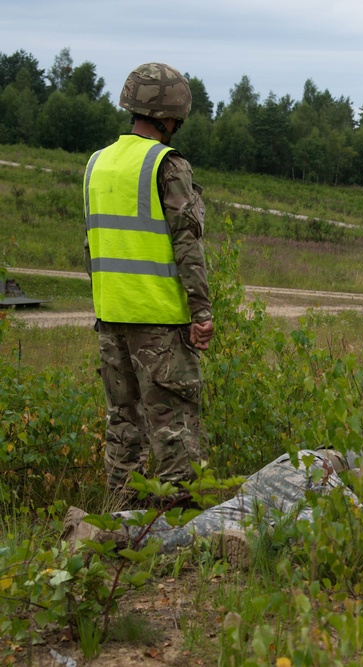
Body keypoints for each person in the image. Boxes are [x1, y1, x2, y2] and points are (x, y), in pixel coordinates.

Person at [83, 63, 213, 503]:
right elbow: (188, 246)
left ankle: (121, 521)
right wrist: (202, 313)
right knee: (173, 426)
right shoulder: (166, 163)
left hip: (110, 318)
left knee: (123, 424)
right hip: (160, 323)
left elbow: (92, 247)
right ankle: (178, 529)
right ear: (170, 114)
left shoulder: (96, 165)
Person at [62, 450, 363, 568]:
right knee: (348, 526)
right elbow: (362, 478)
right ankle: (262, 538)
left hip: (265, 486)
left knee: (191, 530)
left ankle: (98, 527)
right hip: (306, 469)